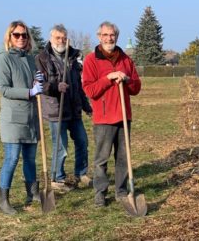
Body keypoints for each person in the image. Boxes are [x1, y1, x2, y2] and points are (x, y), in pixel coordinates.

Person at [82, 21, 141, 207]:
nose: (109, 38)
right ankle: (100, 192)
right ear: (99, 37)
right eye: (105, 35)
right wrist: (108, 78)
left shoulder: (126, 59)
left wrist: (127, 79)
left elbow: (136, 87)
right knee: (101, 159)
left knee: (123, 158)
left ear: (117, 36)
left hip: (124, 117)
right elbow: (90, 90)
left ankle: (122, 191)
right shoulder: (91, 60)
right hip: (104, 118)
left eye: (112, 35)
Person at [35, 24, 93, 192]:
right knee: (61, 146)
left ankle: (81, 173)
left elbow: (78, 86)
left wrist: (86, 106)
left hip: (74, 108)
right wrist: (55, 87)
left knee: (82, 141)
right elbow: (40, 84)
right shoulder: (42, 58)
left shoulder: (73, 57)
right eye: (57, 38)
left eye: (64, 38)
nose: (61, 41)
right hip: (56, 110)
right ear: (50, 39)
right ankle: (57, 178)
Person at [0, 20, 43, 215]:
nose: (21, 38)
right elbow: (3, 88)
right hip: (13, 119)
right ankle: (3, 200)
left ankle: (33, 193)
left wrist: (39, 80)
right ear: (9, 37)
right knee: (12, 158)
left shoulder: (31, 58)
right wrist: (30, 92)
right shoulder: (4, 59)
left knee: (30, 159)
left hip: (31, 117)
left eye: (24, 35)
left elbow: (35, 84)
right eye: (17, 35)